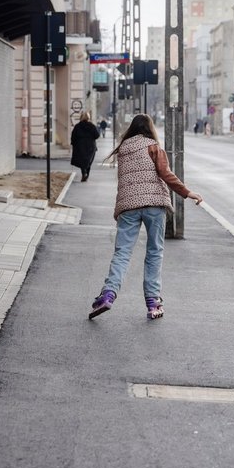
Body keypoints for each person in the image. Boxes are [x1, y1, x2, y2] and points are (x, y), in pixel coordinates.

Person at [89, 114, 203, 321]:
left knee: (122, 252)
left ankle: (108, 294)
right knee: (154, 252)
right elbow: (166, 174)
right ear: (150, 128)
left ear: (131, 129)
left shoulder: (123, 149)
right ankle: (153, 302)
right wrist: (187, 193)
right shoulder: (153, 146)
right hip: (154, 205)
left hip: (128, 206)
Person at [70, 111, 100, 181]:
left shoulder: (77, 126)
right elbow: (97, 135)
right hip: (90, 146)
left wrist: (74, 144)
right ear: (88, 118)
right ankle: (86, 174)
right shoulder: (92, 126)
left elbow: (73, 137)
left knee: (82, 161)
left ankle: (84, 173)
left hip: (80, 146)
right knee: (89, 161)